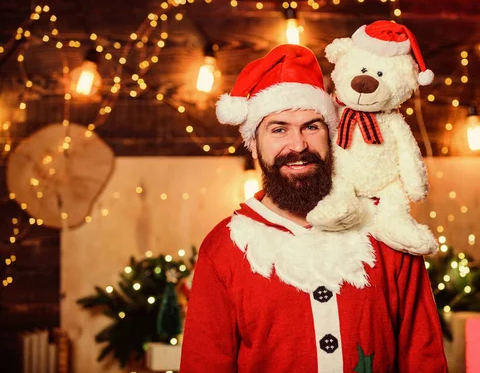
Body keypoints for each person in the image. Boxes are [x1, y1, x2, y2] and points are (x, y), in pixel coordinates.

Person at [180, 44, 448, 373]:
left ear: (331, 134)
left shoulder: (386, 230)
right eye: (278, 129)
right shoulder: (223, 248)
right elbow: (204, 364)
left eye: (312, 126)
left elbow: (424, 357)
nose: (298, 145)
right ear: (254, 144)